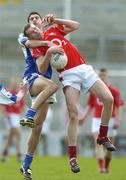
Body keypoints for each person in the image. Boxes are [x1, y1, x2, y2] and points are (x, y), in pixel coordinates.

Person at [23, 13, 116, 174]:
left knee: (109, 99)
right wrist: (50, 51)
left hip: (83, 69)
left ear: (40, 22)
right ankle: (73, 157)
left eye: (36, 20)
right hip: (68, 75)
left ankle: (102, 136)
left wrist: (56, 20)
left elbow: (76, 25)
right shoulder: (36, 46)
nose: (35, 25)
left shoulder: (53, 30)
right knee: (73, 115)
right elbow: (42, 69)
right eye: (31, 27)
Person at [18, 12, 64, 179]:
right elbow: (29, 43)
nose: (34, 21)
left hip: (42, 82)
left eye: (36, 18)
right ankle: (28, 114)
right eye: (30, 20)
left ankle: (26, 166)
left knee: (38, 127)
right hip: (32, 78)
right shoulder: (24, 37)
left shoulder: (46, 34)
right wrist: (48, 45)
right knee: (53, 86)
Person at [79, 68, 124, 173]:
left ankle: (107, 167)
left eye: (104, 75)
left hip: (110, 119)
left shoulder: (114, 90)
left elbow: (118, 106)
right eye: (100, 75)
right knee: (98, 143)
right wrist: (84, 117)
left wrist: (118, 120)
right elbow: (90, 105)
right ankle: (101, 167)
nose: (102, 77)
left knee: (109, 146)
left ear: (107, 76)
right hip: (96, 119)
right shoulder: (94, 90)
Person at [0, 78, 26, 162]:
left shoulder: (19, 95)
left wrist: (28, 114)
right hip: (10, 116)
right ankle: (19, 154)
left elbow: (22, 107)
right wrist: (5, 114)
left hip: (16, 117)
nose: (14, 84)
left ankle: (4, 154)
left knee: (10, 136)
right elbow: (3, 105)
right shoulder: (8, 93)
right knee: (19, 134)